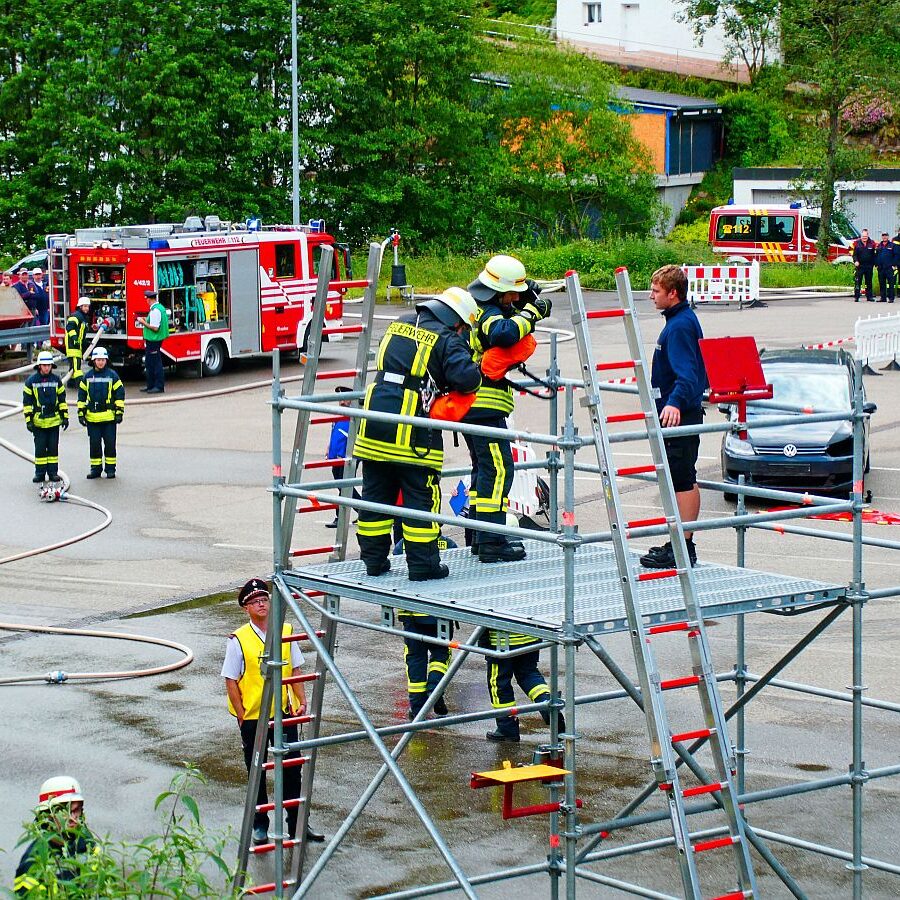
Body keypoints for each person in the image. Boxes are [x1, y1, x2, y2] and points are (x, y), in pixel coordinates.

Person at [354, 287, 481, 581]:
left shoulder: (399, 322)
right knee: (420, 501)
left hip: (374, 424)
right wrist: (469, 355)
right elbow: (467, 378)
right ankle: (423, 566)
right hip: (411, 433)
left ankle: (374, 562)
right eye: (464, 327)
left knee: (375, 497)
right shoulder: (447, 338)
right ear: (456, 320)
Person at [222, 578, 324, 846]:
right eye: (255, 602)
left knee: (292, 770)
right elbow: (231, 679)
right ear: (246, 608)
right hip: (255, 717)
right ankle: (260, 825)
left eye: (264, 600)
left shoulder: (285, 631)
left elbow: (296, 669)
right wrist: (242, 714)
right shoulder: (238, 640)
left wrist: (301, 699)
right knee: (257, 772)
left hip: (284, 713)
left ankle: (298, 823)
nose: (261, 604)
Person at [462, 255, 551, 563]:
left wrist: (528, 298)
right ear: (496, 291)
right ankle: (491, 541)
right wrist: (531, 312)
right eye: (511, 293)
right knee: (498, 469)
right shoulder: (485, 312)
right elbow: (503, 333)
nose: (515, 298)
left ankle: (477, 535)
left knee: (483, 471)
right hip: (483, 404)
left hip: (476, 404)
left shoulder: (488, 306)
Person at [640, 264, 707, 570]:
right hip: (676, 414)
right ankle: (680, 543)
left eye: (656, 291)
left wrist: (675, 403)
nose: (651, 296)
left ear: (673, 293)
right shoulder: (679, 321)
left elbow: (689, 374)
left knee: (682, 479)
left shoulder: (679, 326)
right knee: (679, 478)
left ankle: (683, 546)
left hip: (678, 416)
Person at [14, 776, 96, 896]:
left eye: (76, 810)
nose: (73, 818)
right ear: (47, 814)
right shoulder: (33, 863)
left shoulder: (87, 843)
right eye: (65, 812)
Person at [483, 630, 565, 743]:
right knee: (529, 675)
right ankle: (548, 708)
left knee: (499, 683)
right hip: (530, 636)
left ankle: (507, 729)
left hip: (502, 640)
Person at [77, 346, 125, 479]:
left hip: (109, 418)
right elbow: (81, 396)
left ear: (106, 361)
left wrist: (119, 411)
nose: (100, 362)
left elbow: (120, 393)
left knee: (110, 445)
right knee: (95, 446)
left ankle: (110, 469)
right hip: (92, 419)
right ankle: (95, 469)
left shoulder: (112, 376)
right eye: (98, 359)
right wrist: (81, 413)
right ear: (93, 361)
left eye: (103, 360)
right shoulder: (87, 377)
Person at [23, 350, 68, 483]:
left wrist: (65, 417)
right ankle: (40, 473)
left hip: (54, 421)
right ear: (39, 366)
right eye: (44, 365)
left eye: (49, 365)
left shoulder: (56, 380)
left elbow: (62, 400)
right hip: (38, 422)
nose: (47, 367)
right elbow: (27, 403)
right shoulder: (31, 382)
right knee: (40, 449)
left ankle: (53, 472)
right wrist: (29, 421)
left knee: (53, 449)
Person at [325, 386, 360, 528]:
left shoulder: (355, 414)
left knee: (344, 485)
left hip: (347, 456)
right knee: (342, 486)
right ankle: (361, 511)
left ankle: (348, 515)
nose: (342, 401)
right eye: (340, 398)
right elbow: (335, 433)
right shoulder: (339, 413)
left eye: (345, 398)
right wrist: (329, 448)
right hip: (336, 456)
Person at [136, 290, 169, 393]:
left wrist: (142, 322)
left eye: (147, 299)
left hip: (154, 340)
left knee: (155, 364)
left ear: (149, 300)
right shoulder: (159, 308)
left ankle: (158, 386)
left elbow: (155, 328)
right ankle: (150, 385)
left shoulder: (155, 311)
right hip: (155, 340)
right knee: (149, 363)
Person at [65, 297, 92, 382]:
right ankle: (81, 386)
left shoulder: (83, 317)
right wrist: (75, 339)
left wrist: (85, 343)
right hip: (73, 346)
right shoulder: (76, 316)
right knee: (77, 369)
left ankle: (71, 383)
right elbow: (70, 327)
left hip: (77, 346)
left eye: (88, 306)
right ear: (80, 307)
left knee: (73, 368)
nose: (87, 308)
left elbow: (82, 332)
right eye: (85, 306)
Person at [13, 267, 38, 359]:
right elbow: (19, 297)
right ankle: (24, 350)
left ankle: (31, 348)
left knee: (32, 328)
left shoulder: (31, 284)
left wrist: (29, 295)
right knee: (24, 329)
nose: (24, 276)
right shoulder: (16, 286)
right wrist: (29, 294)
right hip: (22, 311)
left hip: (32, 309)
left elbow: (36, 295)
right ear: (19, 275)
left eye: (26, 274)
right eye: (22, 274)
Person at [852, 229, 877, 302]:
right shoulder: (857, 243)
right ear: (861, 236)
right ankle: (856, 296)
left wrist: (874, 263)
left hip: (869, 266)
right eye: (863, 236)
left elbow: (874, 254)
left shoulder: (872, 243)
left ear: (868, 236)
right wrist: (856, 261)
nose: (864, 238)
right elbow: (854, 255)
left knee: (868, 282)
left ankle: (869, 297)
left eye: (865, 236)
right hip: (860, 266)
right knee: (858, 282)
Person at [874, 232, 896, 303]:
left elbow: (896, 256)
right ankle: (883, 298)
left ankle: (891, 298)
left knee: (891, 284)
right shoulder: (879, 246)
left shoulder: (892, 245)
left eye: (886, 236)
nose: (884, 237)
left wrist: (894, 265)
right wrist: (876, 264)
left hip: (889, 268)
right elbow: (876, 256)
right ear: (882, 237)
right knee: (882, 283)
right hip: (881, 268)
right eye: (883, 236)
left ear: (888, 237)